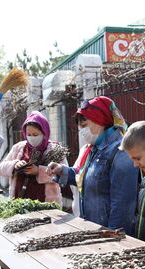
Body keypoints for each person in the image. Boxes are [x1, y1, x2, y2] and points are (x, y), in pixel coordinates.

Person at [48, 96, 138, 233]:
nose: (81, 131)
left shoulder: (120, 151)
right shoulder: (94, 148)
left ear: (100, 120)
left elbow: (122, 205)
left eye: (84, 125)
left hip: (108, 235)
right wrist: (62, 170)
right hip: (93, 229)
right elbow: (86, 177)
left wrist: (112, 236)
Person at [0, 111, 67, 206]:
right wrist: (14, 165)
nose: (31, 138)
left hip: (47, 206)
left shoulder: (55, 150)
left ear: (44, 133)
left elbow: (64, 175)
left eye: (35, 134)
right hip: (18, 203)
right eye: (28, 135)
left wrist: (39, 171)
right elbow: (1, 169)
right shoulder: (18, 148)